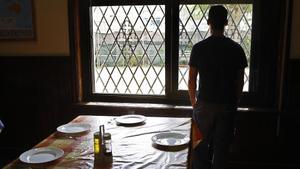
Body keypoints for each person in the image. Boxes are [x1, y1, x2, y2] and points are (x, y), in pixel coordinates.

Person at [188, 5, 248, 169]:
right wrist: (234, 103)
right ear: (226, 23)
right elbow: (240, 82)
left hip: (204, 105)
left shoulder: (198, 48)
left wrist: (194, 103)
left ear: (208, 22)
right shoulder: (237, 49)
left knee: (199, 147)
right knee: (222, 150)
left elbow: (192, 79)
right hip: (227, 105)